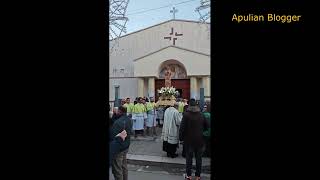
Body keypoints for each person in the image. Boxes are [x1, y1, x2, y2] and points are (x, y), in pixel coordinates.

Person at [179, 99, 209, 180]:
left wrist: (181, 138)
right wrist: (201, 131)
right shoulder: (201, 114)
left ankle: (188, 176)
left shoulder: (186, 115)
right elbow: (207, 126)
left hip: (189, 140)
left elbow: (182, 128)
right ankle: (198, 176)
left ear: (189, 106)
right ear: (196, 106)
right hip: (200, 140)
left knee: (189, 159)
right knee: (199, 159)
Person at [110, 106, 132, 180]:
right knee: (124, 166)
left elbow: (113, 136)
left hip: (118, 148)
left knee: (117, 168)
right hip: (126, 146)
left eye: (118, 111)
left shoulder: (117, 123)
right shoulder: (129, 119)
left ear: (120, 111)